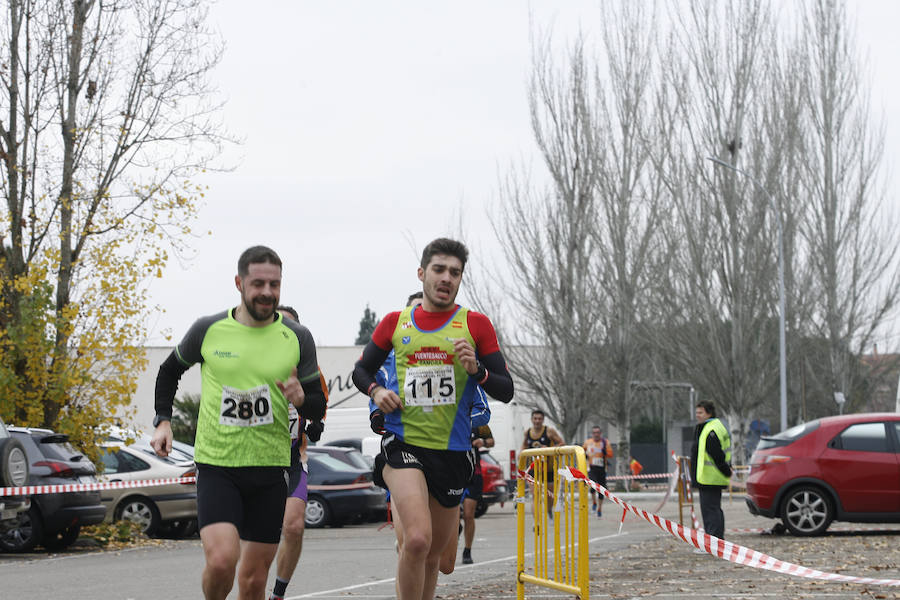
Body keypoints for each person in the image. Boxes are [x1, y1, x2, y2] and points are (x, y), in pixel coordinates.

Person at [150, 246, 327, 600]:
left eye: (274, 284)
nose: (267, 292)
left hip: (271, 468)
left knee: (252, 581)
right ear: (239, 283)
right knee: (221, 561)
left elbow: (318, 406)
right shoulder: (209, 329)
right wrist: (163, 421)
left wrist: (301, 400)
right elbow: (169, 371)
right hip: (218, 465)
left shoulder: (298, 337)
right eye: (258, 283)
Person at [352, 237, 514, 600]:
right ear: (423, 273)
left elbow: (506, 389)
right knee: (417, 539)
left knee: (439, 560)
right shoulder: (396, 323)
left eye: (454, 272)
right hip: (404, 445)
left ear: (460, 279)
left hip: (453, 452)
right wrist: (377, 392)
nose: (446, 278)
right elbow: (361, 371)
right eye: (439, 269)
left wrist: (478, 371)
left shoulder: (476, 325)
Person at [269, 305, 329, 600]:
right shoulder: (254, 363)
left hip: (294, 459)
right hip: (255, 459)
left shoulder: (310, 370)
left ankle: (278, 593)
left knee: (293, 527)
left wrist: (316, 424)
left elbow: (319, 408)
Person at [690, 400, 732, 540]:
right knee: (714, 509)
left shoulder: (710, 430)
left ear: (709, 413)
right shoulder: (714, 426)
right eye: (696, 412)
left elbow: (716, 454)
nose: (697, 415)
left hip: (710, 477)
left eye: (701, 412)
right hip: (712, 477)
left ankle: (713, 542)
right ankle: (717, 540)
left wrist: (726, 470)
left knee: (710, 511)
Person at [461, 423, 494, 564]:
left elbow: (492, 441)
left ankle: (467, 550)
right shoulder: (451, 416)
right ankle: (455, 530)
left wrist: (483, 442)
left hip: (474, 474)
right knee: (452, 516)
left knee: (469, 515)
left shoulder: (478, 421)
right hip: (455, 473)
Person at [582, 426, 613, 517]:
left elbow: (611, 454)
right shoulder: (588, 442)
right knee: (593, 486)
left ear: (600, 433)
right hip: (591, 468)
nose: (596, 434)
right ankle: (594, 503)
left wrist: (603, 451)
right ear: (592, 434)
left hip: (602, 468)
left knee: (601, 490)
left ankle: (599, 508)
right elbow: (582, 451)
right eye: (594, 432)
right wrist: (585, 455)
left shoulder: (605, 442)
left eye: (597, 432)